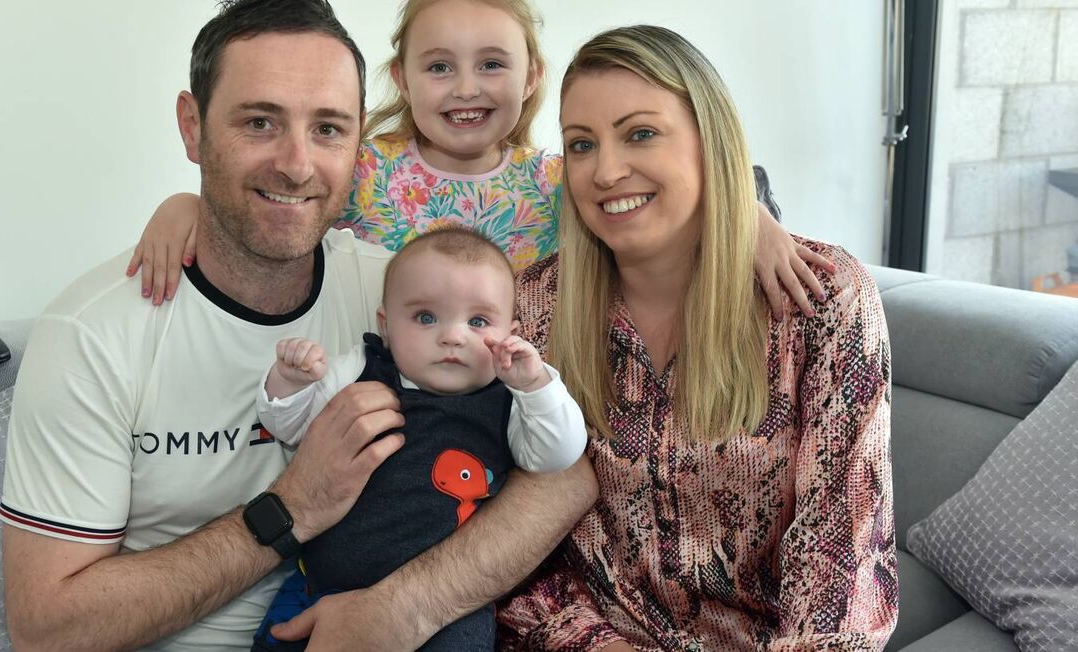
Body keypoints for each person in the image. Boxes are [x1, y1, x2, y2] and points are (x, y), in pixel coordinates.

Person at [0, 1, 597, 650]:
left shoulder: (400, 295)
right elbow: (47, 630)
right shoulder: (93, 333)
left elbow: (563, 476)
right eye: (260, 122)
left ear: (360, 138)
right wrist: (291, 510)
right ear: (192, 127)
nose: (297, 163)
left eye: (330, 129)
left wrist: (406, 607)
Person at [496, 25, 898, 651]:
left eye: (640, 133)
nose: (605, 171)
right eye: (581, 144)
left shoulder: (821, 300)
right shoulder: (533, 308)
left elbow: (842, 568)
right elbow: (512, 547)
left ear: (712, 141)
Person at [127, 0, 833, 320]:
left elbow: (679, 184)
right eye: (439, 66)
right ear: (402, 79)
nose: (465, 87)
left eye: (491, 64)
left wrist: (760, 221)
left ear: (531, 78)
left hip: (526, 401)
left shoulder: (557, 178)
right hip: (396, 393)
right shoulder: (369, 169)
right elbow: (279, 198)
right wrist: (181, 206)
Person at [253, 227, 587, 651]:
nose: (452, 336)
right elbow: (290, 425)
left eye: (478, 321)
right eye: (426, 318)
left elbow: (557, 455)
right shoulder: (360, 368)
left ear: (511, 333)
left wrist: (536, 385)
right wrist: (289, 382)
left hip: (443, 611)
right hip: (317, 586)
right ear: (386, 325)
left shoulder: (509, 402)